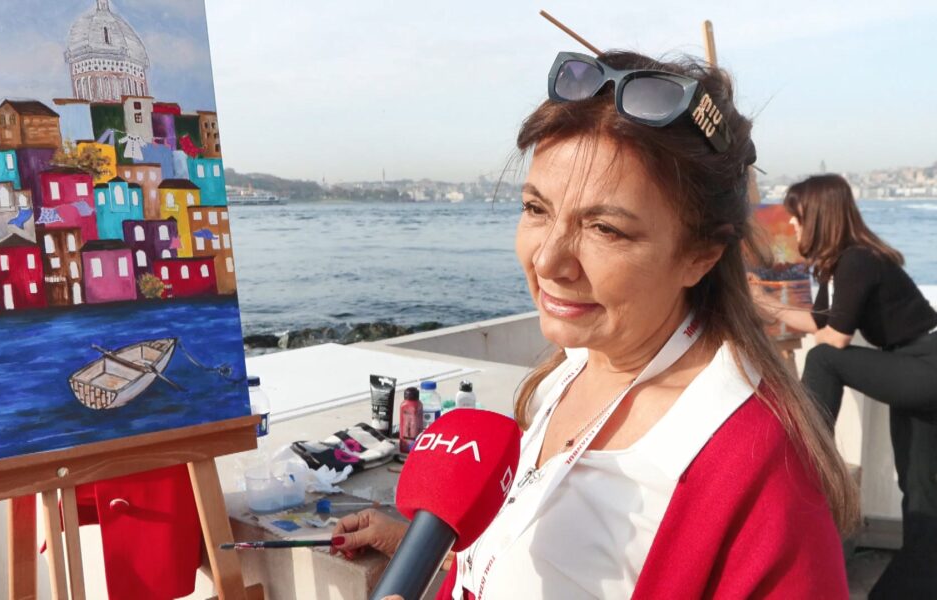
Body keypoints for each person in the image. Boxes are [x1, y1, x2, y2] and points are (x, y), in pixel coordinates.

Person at [332, 49, 859, 598]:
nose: (547, 261)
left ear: (699, 255)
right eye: (536, 209)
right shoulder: (570, 372)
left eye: (605, 228)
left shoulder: (755, 468)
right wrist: (432, 552)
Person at [750, 173, 937, 598]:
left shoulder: (858, 261)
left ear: (819, 216)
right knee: (920, 492)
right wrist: (762, 302)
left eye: (797, 217)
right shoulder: (837, 268)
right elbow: (819, 322)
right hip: (911, 365)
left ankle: (804, 455)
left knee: (823, 358)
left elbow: (834, 340)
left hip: (926, 363)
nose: (791, 225)